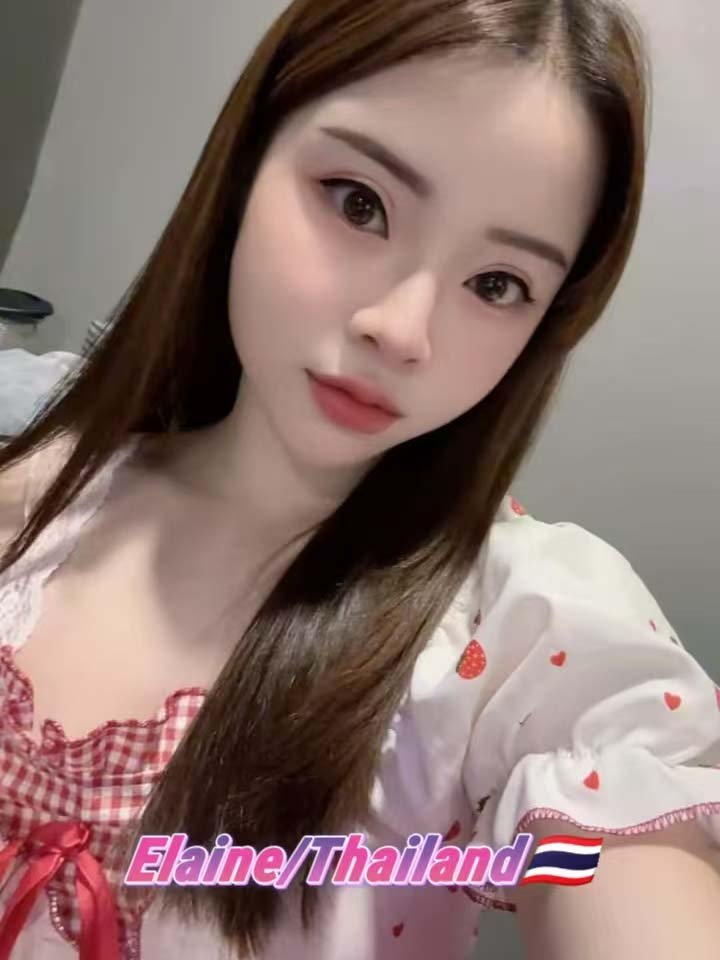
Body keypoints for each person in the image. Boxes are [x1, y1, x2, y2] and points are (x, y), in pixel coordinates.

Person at [0, 0, 718, 957]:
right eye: (359, 203)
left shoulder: (516, 634)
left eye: (497, 284)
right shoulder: (37, 486)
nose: (402, 330)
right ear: (247, 160)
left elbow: (629, 840)